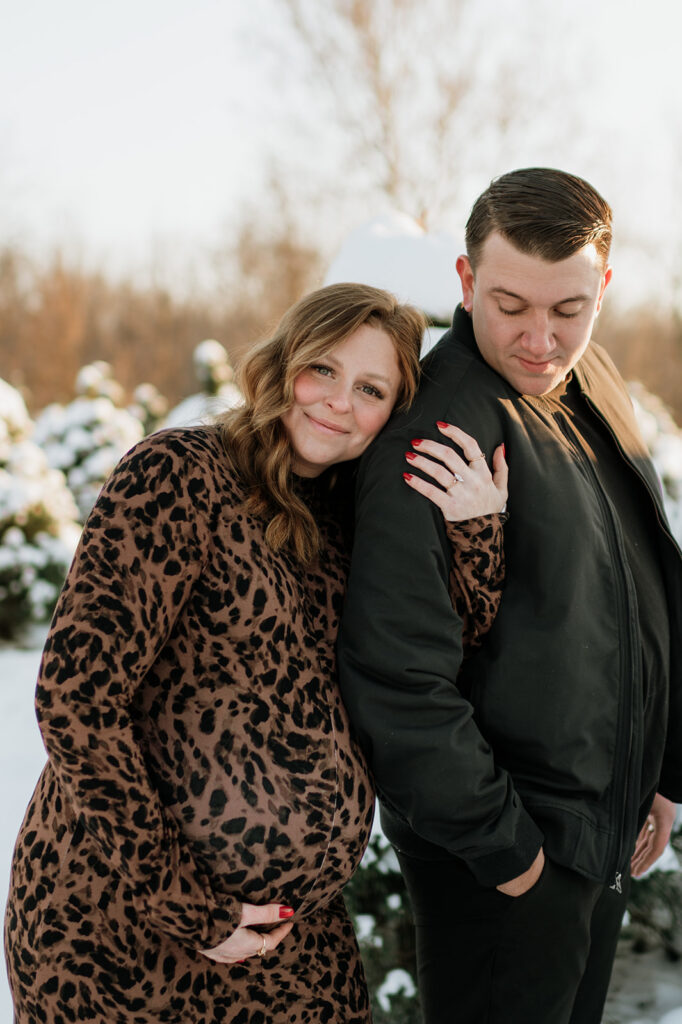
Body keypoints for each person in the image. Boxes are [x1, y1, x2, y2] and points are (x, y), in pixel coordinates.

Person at [4, 282, 509, 1024]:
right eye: (324, 369)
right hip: (121, 926)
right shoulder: (179, 475)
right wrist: (192, 906)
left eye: (371, 388)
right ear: (284, 362)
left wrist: (475, 527)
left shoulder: (353, 527)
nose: (339, 401)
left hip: (289, 940)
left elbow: (443, 652)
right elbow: (78, 701)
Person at [337, 169, 682, 1024]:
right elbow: (394, 671)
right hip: (505, 859)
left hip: (597, 838)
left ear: (601, 286)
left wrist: (663, 769)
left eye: (567, 309)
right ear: (464, 281)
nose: (539, 338)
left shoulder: (591, 383)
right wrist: (508, 852)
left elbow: (647, 583)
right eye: (510, 305)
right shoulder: (438, 427)